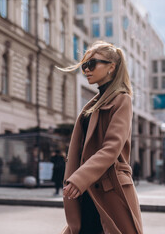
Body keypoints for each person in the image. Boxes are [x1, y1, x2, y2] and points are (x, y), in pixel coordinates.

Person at [60, 41, 143, 234]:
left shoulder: (122, 99)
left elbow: (112, 147)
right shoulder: (93, 103)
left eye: (92, 64)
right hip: (87, 188)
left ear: (111, 67)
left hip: (109, 189)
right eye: (83, 66)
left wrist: (80, 178)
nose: (86, 70)